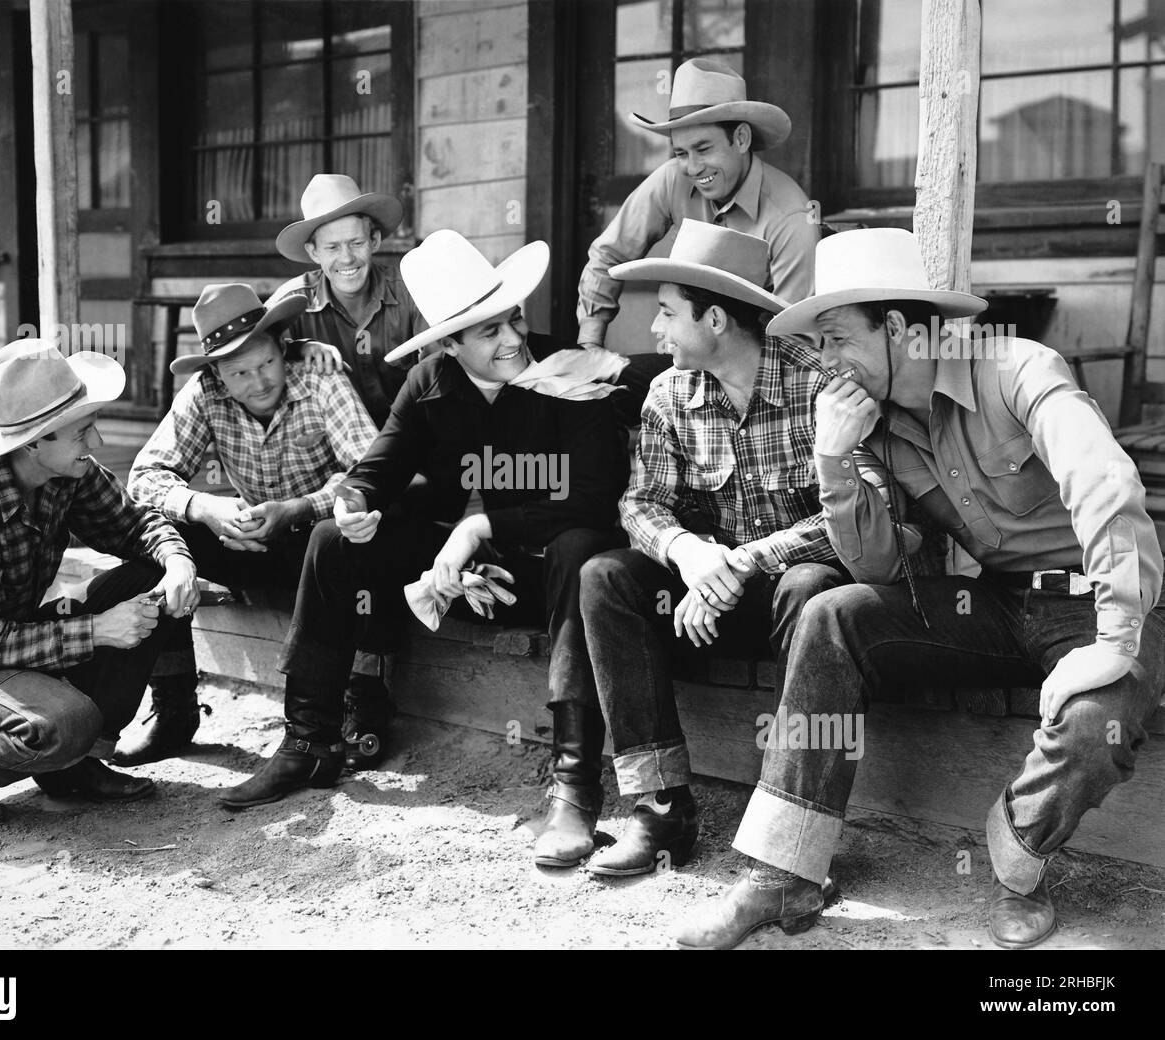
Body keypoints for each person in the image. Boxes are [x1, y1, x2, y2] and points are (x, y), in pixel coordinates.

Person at [674, 228, 1165, 950]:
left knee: (1100, 722)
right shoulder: (872, 425)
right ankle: (784, 872)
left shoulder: (1016, 368)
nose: (825, 362)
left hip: (1102, 599)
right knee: (832, 614)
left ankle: (1017, 859)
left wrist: (1116, 638)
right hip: (996, 603)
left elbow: (1106, 483)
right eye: (819, 344)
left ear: (899, 327)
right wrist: (834, 458)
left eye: (837, 339)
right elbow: (875, 567)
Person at [217, 230, 629, 823]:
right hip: (462, 578)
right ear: (450, 343)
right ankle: (309, 742)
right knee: (331, 539)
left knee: (579, 546)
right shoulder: (430, 380)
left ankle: (574, 778)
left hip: (552, 580)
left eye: (514, 319)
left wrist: (478, 528)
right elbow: (374, 470)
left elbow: (592, 501)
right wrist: (352, 504)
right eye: (490, 331)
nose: (514, 339)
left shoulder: (569, 372)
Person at [579, 221, 872, 878]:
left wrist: (740, 561)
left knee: (811, 587)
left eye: (666, 312)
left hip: (797, 605)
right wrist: (689, 554)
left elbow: (851, 516)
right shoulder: (669, 392)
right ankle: (661, 808)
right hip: (706, 599)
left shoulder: (818, 385)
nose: (653, 329)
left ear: (714, 319)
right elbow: (640, 504)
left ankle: (792, 824)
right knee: (606, 576)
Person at [0, 341, 195, 828]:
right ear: (31, 443)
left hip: (14, 631)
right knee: (65, 723)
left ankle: (73, 767)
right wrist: (99, 630)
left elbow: (134, 526)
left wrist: (177, 561)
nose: (96, 442)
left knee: (150, 575)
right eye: (82, 432)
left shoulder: (66, 468)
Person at [122, 283, 380, 766]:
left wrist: (299, 508)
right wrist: (207, 508)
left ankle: (359, 701)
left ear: (283, 347)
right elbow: (144, 478)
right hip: (249, 542)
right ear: (217, 373)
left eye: (266, 363)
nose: (259, 382)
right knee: (153, 535)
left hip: (320, 547)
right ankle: (174, 709)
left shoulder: (322, 379)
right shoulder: (204, 392)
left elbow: (368, 473)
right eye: (239, 372)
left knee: (355, 534)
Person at [577, 58, 818, 351]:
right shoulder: (672, 179)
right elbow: (609, 254)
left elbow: (795, 340)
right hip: (683, 358)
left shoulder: (791, 216)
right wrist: (589, 343)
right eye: (681, 153)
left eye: (703, 149)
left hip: (757, 367)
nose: (692, 168)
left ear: (741, 139)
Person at [268, 174, 427, 428]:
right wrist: (298, 348)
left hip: (411, 437)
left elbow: (440, 372)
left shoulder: (411, 291)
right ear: (313, 252)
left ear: (374, 241)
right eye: (332, 247)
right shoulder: (290, 303)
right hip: (328, 442)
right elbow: (252, 357)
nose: (347, 258)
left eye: (356, 243)